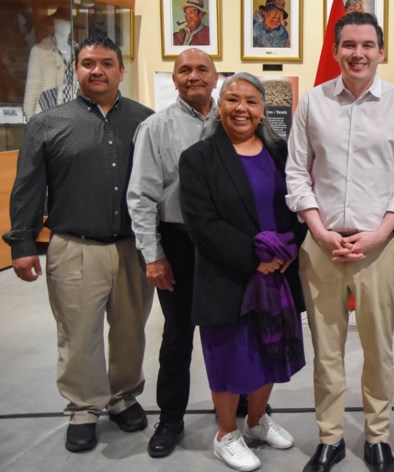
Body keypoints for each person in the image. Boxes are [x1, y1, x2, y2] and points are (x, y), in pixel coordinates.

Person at [286, 12, 394, 472]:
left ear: (381, 51)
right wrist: (320, 232)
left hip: (379, 248)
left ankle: (377, 436)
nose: (358, 54)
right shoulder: (312, 103)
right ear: (336, 50)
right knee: (327, 349)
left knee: (377, 347)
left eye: (368, 45)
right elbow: (297, 173)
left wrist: (380, 232)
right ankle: (330, 437)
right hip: (321, 247)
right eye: (349, 45)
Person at [3, 35, 154, 453]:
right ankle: (84, 407)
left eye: (107, 63)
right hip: (73, 246)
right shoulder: (47, 124)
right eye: (88, 63)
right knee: (78, 332)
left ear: (121, 71)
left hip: (133, 248)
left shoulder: (145, 121)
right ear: (78, 70)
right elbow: (28, 188)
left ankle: (124, 396)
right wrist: (22, 244)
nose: (98, 70)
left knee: (130, 330)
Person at [179, 72, 306, 472]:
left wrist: (288, 247)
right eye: (233, 100)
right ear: (219, 106)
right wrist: (255, 258)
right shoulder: (198, 158)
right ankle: (226, 433)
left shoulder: (281, 152)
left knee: (269, 350)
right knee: (229, 356)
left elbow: (302, 201)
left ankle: (255, 421)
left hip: (278, 272)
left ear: (263, 109)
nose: (241, 109)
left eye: (251, 102)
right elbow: (201, 222)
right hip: (228, 274)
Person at [127, 48, 218, 458]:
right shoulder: (155, 128)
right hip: (178, 244)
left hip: (226, 244)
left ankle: (241, 408)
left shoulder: (234, 119)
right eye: (185, 70)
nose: (194, 76)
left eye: (202, 69)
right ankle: (170, 419)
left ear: (217, 76)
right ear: (175, 79)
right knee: (178, 337)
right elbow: (141, 197)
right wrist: (153, 255)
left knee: (232, 331)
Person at [23, 8, 76, 119]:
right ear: (54, 23)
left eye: (68, 22)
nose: (65, 25)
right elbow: (32, 88)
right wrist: (30, 120)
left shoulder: (79, 50)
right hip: (47, 112)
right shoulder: (39, 50)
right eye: (60, 21)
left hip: (74, 114)